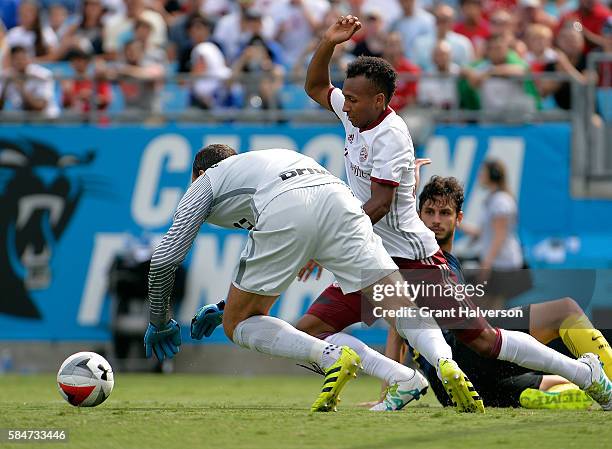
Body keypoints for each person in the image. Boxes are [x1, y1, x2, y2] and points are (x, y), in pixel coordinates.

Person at [298, 15, 612, 412]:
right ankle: (404, 381)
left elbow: (378, 204)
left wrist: (326, 243)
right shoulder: (353, 110)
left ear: (380, 100)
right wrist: (328, 41)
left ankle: (586, 374)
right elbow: (314, 86)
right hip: (369, 257)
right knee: (308, 333)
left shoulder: (392, 136)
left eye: (354, 98)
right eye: (346, 96)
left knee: (484, 340)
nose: (346, 102)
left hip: (413, 262)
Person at [145, 145, 442, 412]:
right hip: (337, 198)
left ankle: (331, 356)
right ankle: (435, 367)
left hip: (289, 204)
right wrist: (226, 306)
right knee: (398, 304)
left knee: (238, 325)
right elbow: (275, 268)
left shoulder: (206, 181)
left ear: (198, 173)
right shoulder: (259, 167)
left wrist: (159, 321)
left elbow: (164, 259)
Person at [403, 175, 612, 409]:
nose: (435, 220)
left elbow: (397, 329)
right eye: (429, 212)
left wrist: (391, 387)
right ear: (418, 217)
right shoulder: (421, 259)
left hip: (456, 389)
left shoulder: (441, 263)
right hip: (461, 359)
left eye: (444, 213)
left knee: (547, 382)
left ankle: (542, 393)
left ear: (458, 218)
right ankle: (599, 381)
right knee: (565, 310)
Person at [0, 45, 60, 118]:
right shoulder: (6, 76)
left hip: (46, 120)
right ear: (11, 61)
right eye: (16, 59)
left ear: (28, 59)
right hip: (21, 120)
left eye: (23, 58)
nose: (20, 62)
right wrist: (5, 85)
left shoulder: (43, 75)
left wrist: (21, 88)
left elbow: (40, 107)